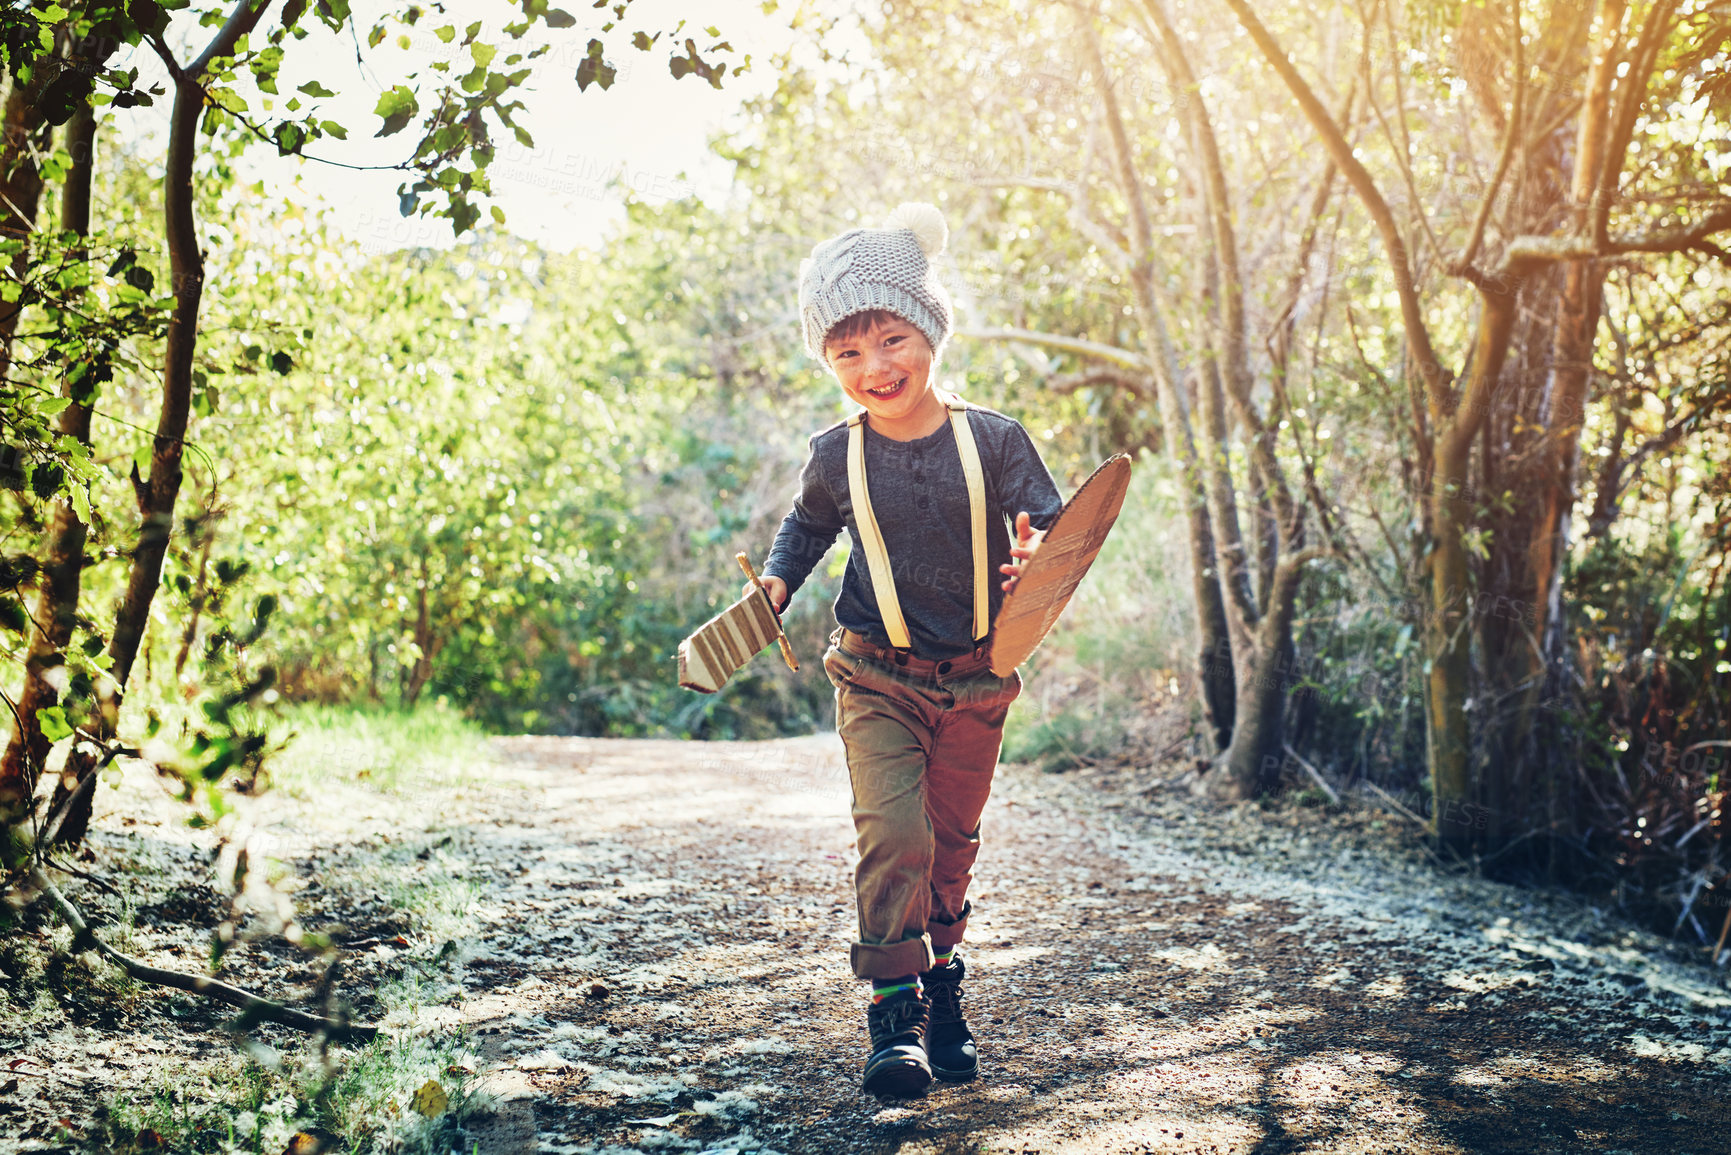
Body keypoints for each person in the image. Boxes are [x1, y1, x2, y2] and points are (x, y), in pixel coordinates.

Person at [750, 202, 1063, 1098]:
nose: (874, 368)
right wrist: (775, 585)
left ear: (928, 329)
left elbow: (1046, 526)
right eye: (846, 353)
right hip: (873, 673)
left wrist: (1035, 558)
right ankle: (894, 1015)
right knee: (893, 834)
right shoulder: (833, 454)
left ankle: (940, 987)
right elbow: (803, 529)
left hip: (974, 678)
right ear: (827, 362)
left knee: (949, 844)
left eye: (891, 339)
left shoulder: (993, 438)